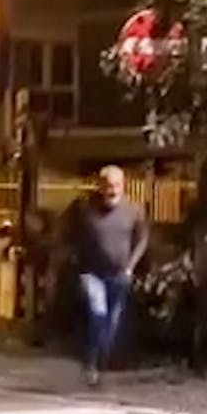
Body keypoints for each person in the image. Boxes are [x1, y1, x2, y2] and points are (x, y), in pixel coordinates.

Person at [62, 165, 148, 387]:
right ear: (100, 186)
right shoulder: (84, 208)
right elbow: (67, 233)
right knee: (97, 313)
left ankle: (98, 364)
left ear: (123, 186)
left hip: (119, 274)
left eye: (117, 186)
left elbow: (142, 239)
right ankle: (91, 364)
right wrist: (73, 259)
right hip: (91, 273)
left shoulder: (133, 210)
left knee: (112, 324)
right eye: (108, 186)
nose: (112, 191)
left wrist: (130, 266)